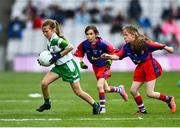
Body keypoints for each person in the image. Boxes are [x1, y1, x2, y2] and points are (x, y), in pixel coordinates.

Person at [101, 25, 176, 114]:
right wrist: (108, 56)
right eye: (123, 35)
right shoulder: (126, 47)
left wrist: (168, 48)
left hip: (149, 66)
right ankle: (142, 110)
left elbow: (156, 45)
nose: (124, 37)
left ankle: (169, 99)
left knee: (150, 93)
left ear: (133, 35)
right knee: (133, 90)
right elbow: (117, 56)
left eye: (126, 35)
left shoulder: (143, 43)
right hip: (140, 67)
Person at [36, 19, 100, 115]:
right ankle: (47, 103)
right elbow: (52, 56)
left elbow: (70, 47)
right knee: (44, 84)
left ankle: (95, 105)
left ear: (53, 30)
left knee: (78, 91)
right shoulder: (49, 40)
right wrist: (44, 61)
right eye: (43, 32)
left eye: (46, 31)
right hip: (58, 67)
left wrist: (58, 55)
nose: (44, 34)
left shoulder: (57, 40)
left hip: (68, 67)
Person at [74, 25, 128, 114]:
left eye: (91, 34)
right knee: (105, 89)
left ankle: (102, 108)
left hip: (104, 66)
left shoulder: (103, 43)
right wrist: (81, 62)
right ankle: (119, 89)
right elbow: (79, 53)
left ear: (96, 34)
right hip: (95, 67)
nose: (89, 36)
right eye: (87, 34)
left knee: (99, 86)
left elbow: (114, 52)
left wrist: (109, 61)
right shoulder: (84, 44)